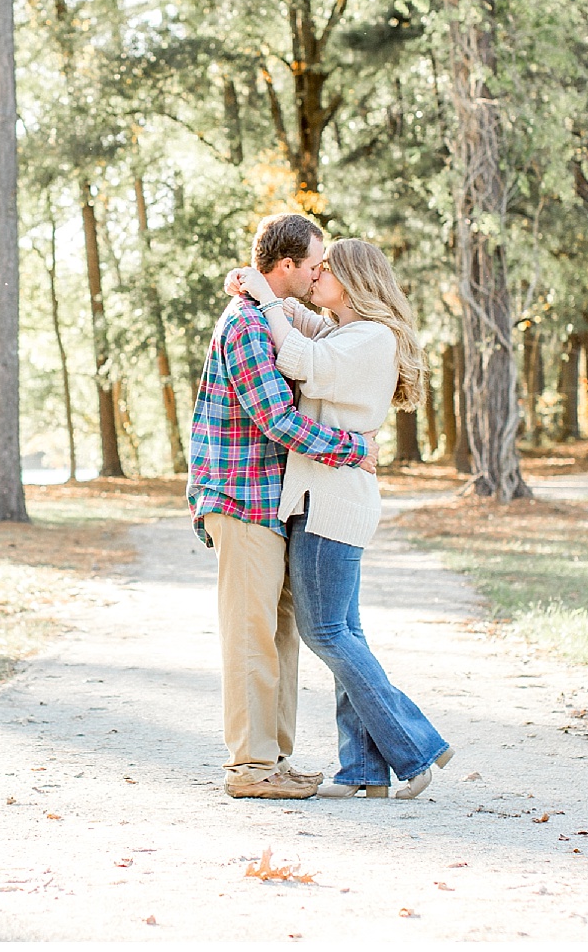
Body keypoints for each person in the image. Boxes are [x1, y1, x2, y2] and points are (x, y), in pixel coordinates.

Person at [225, 238, 455, 800]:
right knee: (345, 634)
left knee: (326, 632)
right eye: (313, 267)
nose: (316, 275)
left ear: (352, 281)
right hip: (325, 495)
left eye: (325, 269)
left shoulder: (370, 337)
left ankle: (417, 745)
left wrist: (267, 299)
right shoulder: (344, 332)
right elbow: (297, 318)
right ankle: (363, 771)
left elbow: (297, 359)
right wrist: (254, 283)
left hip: (330, 499)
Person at [188, 213, 378, 800]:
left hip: (273, 503)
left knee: (280, 637)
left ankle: (275, 759)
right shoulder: (246, 324)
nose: (321, 273)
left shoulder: (271, 313)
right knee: (251, 636)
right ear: (288, 264)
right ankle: (250, 766)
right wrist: (354, 449)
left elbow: (324, 342)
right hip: (241, 498)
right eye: (315, 264)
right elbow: (277, 419)